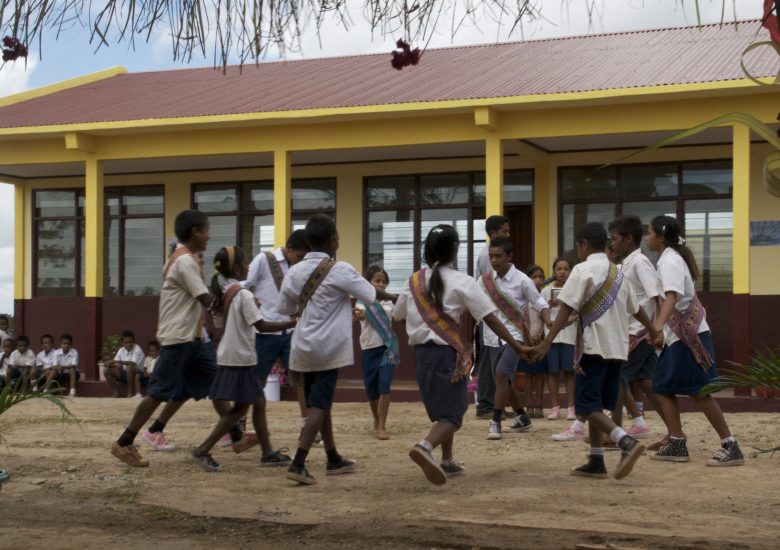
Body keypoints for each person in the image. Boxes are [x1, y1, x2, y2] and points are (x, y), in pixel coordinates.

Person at [394, 224, 533, 485]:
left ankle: (447, 460)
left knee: (442, 411)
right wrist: (517, 346)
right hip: (448, 355)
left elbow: (398, 316)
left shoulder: (412, 281)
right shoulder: (463, 281)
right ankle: (425, 447)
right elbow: (490, 317)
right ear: (455, 250)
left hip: (422, 355)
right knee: (453, 414)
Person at [531, 222, 662, 480]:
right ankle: (596, 460)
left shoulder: (582, 270)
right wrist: (653, 330)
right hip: (617, 348)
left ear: (584, 245)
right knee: (598, 406)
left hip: (593, 348)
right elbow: (636, 308)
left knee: (586, 405)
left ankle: (625, 441)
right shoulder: (618, 272)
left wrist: (548, 341)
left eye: (577, 247)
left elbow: (566, 306)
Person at [277, 214, 396, 486]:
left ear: (307, 241)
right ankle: (298, 462)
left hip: (302, 345)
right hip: (327, 348)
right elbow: (371, 294)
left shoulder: (294, 271)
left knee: (320, 402)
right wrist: (394, 297)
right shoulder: (340, 270)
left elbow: (284, 308)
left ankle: (333, 457)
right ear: (333, 241)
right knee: (319, 404)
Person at [111, 209, 223, 467]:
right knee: (158, 392)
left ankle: (236, 435)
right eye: (206, 230)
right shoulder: (184, 261)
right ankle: (124, 441)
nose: (209, 236)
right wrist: (239, 299)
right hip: (179, 338)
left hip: (192, 339)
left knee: (218, 385)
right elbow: (206, 298)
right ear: (195, 232)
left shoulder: (187, 258)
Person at [646, 215, 744, 466]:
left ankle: (730, 444)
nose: (647, 237)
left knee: (699, 391)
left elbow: (671, 296)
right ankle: (677, 441)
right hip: (678, 336)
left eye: (649, 233)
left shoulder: (669, 261)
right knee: (662, 386)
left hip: (686, 337)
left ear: (659, 236)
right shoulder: (670, 258)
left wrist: (656, 326)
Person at [189, 246, 297, 472]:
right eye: (245, 263)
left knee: (258, 402)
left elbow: (218, 323)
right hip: (242, 357)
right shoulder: (244, 294)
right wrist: (293, 323)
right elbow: (262, 325)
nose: (249, 267)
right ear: (237, 268)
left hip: (231, 354)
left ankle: (268, 452)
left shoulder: (225, 292)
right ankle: (203, 449)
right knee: (240, 409)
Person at [244, 229, 313, 444]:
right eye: (299, 256)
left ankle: (308, 427)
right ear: (290, 248)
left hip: (292, 330)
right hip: (265, 330)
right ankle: (241, 424)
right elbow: (247, 288)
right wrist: (253, 303)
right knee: (257, 380)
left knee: (301, 379)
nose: (300, 261)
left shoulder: (301, 267)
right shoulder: (263, 260)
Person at [480, 237, 550, 441]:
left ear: (509, 256)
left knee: (501, 376)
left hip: (516, 338)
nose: (494, 260)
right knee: (504, 380)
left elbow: (540, 303)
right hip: (491, 337)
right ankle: (522, 416)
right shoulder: (485, 281)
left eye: (498, 256)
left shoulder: (522, 280)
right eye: (491, 256)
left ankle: (495, 421)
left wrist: (548, 321)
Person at [607, 215, 667, 441]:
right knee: (646, 381)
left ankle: (615, 432)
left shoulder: (640, 263)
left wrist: (656, 329)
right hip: (634, 330)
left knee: (617, 377)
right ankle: (674, 433)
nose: (612, 244)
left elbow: (656, 296)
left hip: (639, 333)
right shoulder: (626, 263)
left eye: (615, 239)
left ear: (628, 239)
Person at [353, 265, 399, 440]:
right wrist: (359, 316)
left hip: (388, 348)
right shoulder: (361, 301)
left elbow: (400, 314)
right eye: (377, 281)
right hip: (369, 349)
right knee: (372, 389)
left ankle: (382, 426)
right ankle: (376, 418)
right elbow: (362, 314)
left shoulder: (389, 303)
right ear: (368, 282)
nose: (381, 285)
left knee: (384, 385)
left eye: (383, 282)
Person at [473, 215, 511, 420]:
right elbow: (492, 288)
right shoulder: (489, 256)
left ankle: (493, 403)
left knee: (493, 361)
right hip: (492, 317)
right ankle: (487, 405)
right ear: (494, 232)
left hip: (495, 316)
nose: (508, 234)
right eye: (505, 231)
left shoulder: (493, 253)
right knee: (490, 362)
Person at [541, 258, 578, 421]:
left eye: (566, 269)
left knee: (570, 372)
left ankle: (571, 407)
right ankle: (554, 407)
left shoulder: (576, 290)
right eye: (559, 269)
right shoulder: (545, 291)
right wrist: (547, 315)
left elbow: (581, 311)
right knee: (553, 372)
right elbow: (540, 310)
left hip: (570, 335)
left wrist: (571, 318)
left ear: (570, 271)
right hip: (552, 336)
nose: (562, 272)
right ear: (554, 271)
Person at [522, 264, 548, 418]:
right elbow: (522, 319)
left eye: (540, 277)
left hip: (540, 341)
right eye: (534, 277)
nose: (538, 280)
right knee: (528, 374)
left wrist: (539, 335)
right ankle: (528, 405)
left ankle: (539, 405)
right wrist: (527, 337)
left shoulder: (543, 299)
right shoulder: (523, 299)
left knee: (539, 374)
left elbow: (545, 319)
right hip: (525, 341)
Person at [104, 330, 145, 398]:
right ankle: (117, 392)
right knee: (106, 370)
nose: (128, 344)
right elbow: (115, 363)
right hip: (125, 373)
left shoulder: (137, 348)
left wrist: (118, 362)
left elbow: (133, 363)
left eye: (130, 342)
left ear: (134, 342)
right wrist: (109, 363)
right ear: (122, 343)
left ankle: (130, 393)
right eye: (126, 342)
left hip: (139, 373)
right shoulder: (121, 350)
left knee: (129, 367)